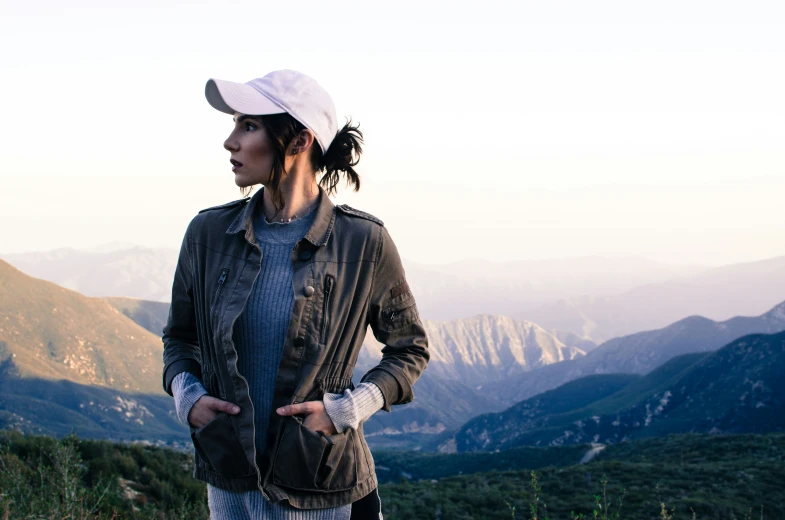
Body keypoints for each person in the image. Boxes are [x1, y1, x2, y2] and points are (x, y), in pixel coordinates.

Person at [161, 69, 429, 520]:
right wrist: (187, 397)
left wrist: (347, 409)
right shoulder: (207, 234)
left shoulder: (363, 242)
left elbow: (410, 350)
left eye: (248, 126)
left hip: (322, 486)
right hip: (230, 484)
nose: (231, 142)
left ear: (300, 141)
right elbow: (179, 338)